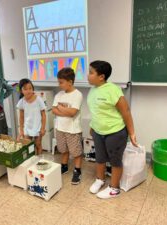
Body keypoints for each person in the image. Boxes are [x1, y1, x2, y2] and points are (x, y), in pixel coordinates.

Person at [87, 60, 138, 199]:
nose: (88, 75)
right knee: (100, 157)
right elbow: (96, 111)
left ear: (101, 76)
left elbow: (126, 111)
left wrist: (132, 133)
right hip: (98, 131)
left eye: (91, 72)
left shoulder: (113, 89)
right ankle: (100, 179)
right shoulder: (93, 89)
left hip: (115, 132)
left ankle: (114, 189)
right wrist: (92, 126)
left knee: (115, 160)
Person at [52, 67, 83, 185]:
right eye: (58, 82)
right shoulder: (59, 94)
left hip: (73, 130)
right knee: (63, 149)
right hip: (60, 128)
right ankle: (64, 166)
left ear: (70, 82)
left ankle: (77, 170)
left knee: (75, 152)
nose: (59, 85)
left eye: (61, 82)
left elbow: (72, 113)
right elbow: (53, 110)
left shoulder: (77, 95)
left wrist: (60, 108)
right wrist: (64, 109)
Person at [17, 79, 46, 155]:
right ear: (21, 91)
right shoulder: (21, 102)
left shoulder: (39, 100)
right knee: (28, 146)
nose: (28, 91)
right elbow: (21, 117)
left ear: (33, 89)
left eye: (30, 88)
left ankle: (40, 160)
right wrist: (21, 130)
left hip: (38, 127)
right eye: (25, 89)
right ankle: (31, 162)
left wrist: (43, 128)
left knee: (38, 144)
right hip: (27, 128)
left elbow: (43, 115)